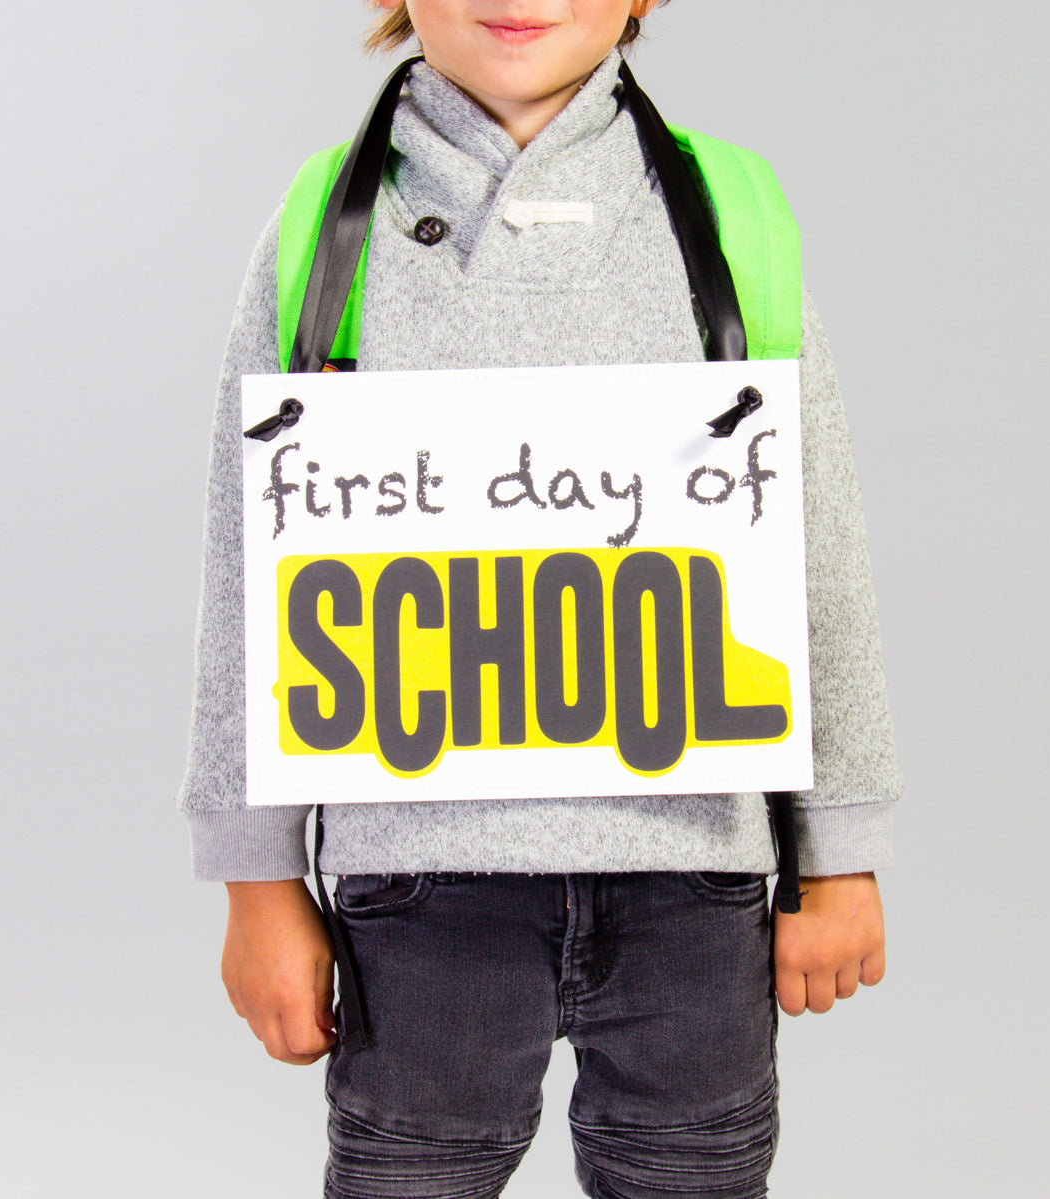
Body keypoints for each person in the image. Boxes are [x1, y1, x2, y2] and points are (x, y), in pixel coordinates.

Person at [178, 2, 902, 1195]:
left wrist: (841, 848)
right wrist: (257, 881)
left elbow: (813, 541)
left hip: (693, 873)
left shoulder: (731, 218)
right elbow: (249, 565)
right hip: (417, 883)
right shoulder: (320, 231)